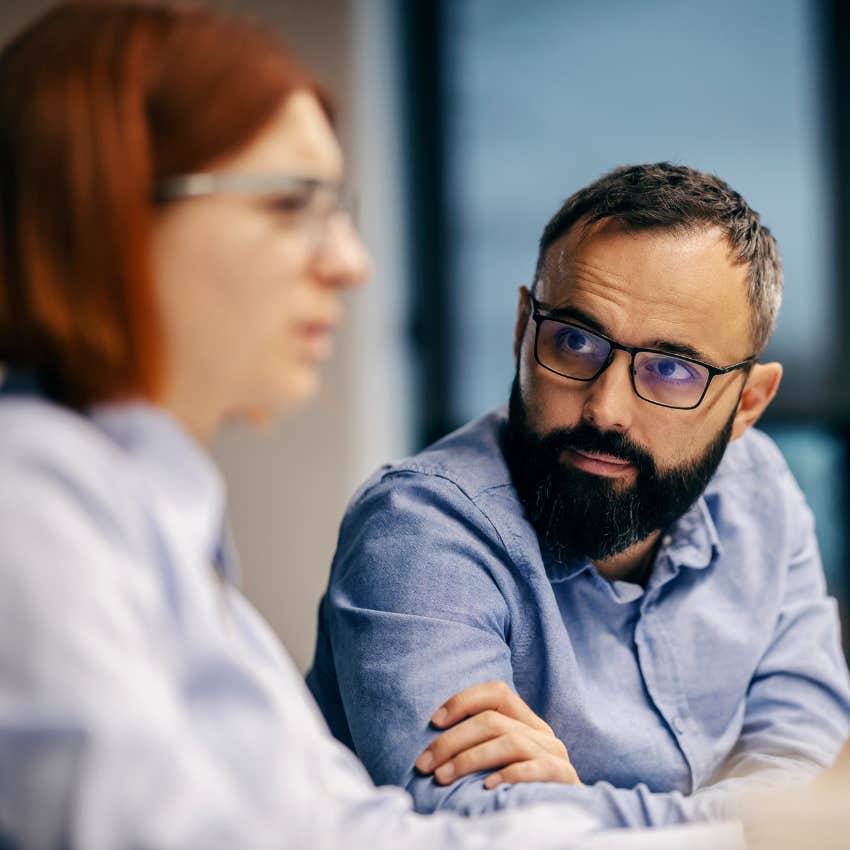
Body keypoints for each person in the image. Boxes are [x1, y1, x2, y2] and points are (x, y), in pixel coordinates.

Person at [0, 3, 621, 849]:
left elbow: (352, 832)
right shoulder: (27, 503)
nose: (351, 263)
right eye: (293, 205)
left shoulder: (173, 546)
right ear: (105, 210)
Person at [307, 163, 850, 828]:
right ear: (520, 330)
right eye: (573, 339)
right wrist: (744, 821)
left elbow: (807, 767)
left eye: (673, 369)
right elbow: (474, 824)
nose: (605, 408)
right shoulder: (417, 533)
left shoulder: (760, 493)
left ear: (749, 403)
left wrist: (575, 805)